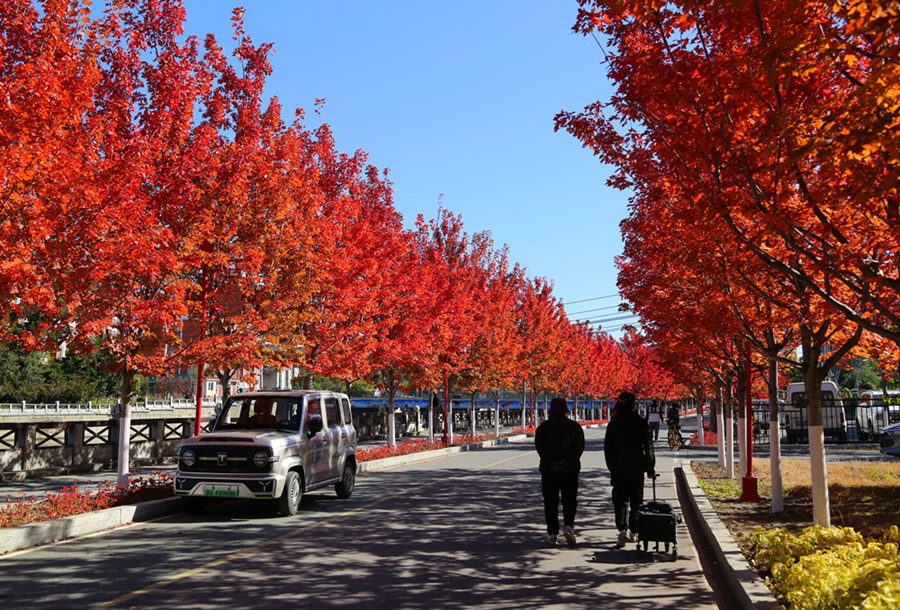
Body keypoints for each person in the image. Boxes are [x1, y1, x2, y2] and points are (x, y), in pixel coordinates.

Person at [604, 391, 656, 548]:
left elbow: (608, 449)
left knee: (620, 500)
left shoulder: (614, 424)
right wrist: (650, 468)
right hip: (636, 467)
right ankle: (634, 531)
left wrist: (612, 467)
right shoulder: (640, 423)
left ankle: (622, 531)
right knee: (636, 501)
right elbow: (648, 447)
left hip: (619, 468)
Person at [534, 397, 585, 547]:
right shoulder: (574, 427)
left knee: (551, 501)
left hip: (549, 471)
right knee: (569, 499)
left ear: (551, 410)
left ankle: (553, 533)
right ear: (565, 409)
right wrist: (568, 461)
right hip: (570, 470)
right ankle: (568, 526)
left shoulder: (543, 427)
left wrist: (552, 462)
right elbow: (579, 447)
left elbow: (540, 448)